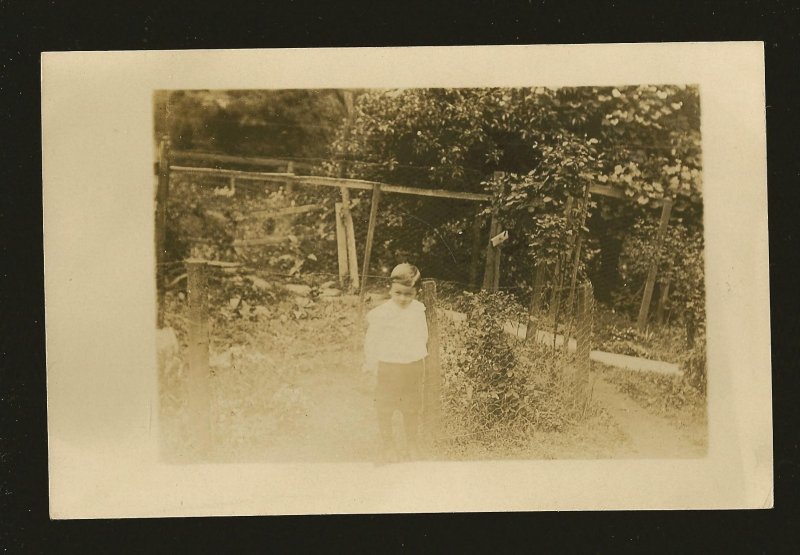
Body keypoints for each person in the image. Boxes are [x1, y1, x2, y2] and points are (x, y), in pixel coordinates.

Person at [363, 263, 428, 462]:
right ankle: (388, 446)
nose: (402, 298)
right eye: (398, 293)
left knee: (411, 407)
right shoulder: (382, 314)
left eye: (409, 294)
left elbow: (422, 336)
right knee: (385, 406)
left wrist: (418, 358)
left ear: (416, 293)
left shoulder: (418, 311)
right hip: (388, 367)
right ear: (390, 289)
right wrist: (370, 364)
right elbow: (372, 341)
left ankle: (412, 444)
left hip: (411, 367)